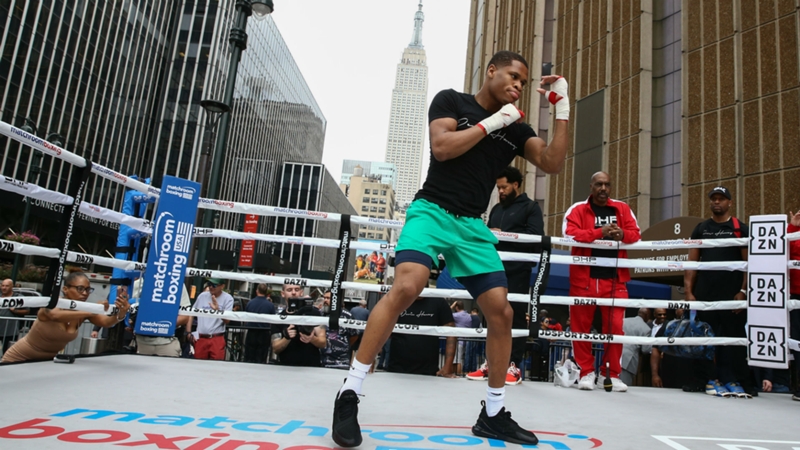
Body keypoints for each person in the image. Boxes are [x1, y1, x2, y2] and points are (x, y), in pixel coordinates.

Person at [331, 50, 570, 448]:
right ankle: (349, 392)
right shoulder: (452, 101)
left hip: (471, 224)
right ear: (491, 71)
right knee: (408, 286)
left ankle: (493, 413)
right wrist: (491, 122)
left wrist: (561, 109)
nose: (517, 86)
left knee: (501, 311)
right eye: (512, 76)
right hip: (431, 211)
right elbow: (442, 147)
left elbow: (552, 162)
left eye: (523, 83)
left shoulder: (515, 128)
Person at [563, 171, 641, 392]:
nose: (603, 188)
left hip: (614, 279)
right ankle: (586, 372)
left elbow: (636, 234)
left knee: (615, 329)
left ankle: (611, 374)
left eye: (607, 184)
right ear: (591, 187)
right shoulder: (577, 209)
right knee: (580, 328)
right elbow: (569, 234)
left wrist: (621, 234)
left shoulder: (623, 209)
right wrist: (599, 232)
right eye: (599, 184)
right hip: (584, 279)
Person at [684, 186, 751, 398]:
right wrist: (689, 293)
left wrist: (743, 291)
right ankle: (706, 380)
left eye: (721, 199)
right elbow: (692, 262)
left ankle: (732, 379)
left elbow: (748, 263)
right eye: (714, 199)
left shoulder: (740, 228)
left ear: (729, 202)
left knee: (733, 340)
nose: (717, 202)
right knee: (704, 338)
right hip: (705, 293)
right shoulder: (701, 228)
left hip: (732, 294)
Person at [487, 165, 543, 384]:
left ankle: (513, 364)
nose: (500, 191)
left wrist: (505, 235)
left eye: (504, 187)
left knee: (516, 315)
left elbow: (536, 238)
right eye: (498, 187)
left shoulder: (531, 208)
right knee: (491, 314)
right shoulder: (496, 210)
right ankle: (490, 363)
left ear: (516, 184)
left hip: (518, 270)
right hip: (493, 268)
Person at [2, 271, 129, 363]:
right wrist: (92, 310)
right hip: (19, 358)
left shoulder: (83, 310)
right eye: (80, 289)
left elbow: (106, 322)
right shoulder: (52, 302)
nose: (85, 293)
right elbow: (54, 315)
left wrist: (121, 313)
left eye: (88, 289)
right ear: (65, 289)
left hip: (47, 362)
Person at [388, 296, 456, 377]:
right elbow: (379, 329)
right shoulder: (398, 299)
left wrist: (447, 367)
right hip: (396, 369)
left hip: (428, 371)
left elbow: (451, 332)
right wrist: (369, 360)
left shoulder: (438, 301)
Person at [134, 278, 192, 357]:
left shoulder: (177, 283)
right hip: (142, 342)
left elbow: (185, 317)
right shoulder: (141, 282)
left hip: (168, 342)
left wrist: (162, 324)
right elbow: (127, 309)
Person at [271, 283, 326, 367]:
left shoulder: (313, 313)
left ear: (301, 292)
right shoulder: (279, 318)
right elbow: (275, 348)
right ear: (283, 293)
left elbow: (323, 342)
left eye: (296, 290)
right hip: (286, 367)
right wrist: (287, 338)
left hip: (311, 366)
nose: (293, 293)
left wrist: (311, 338)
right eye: (289, 290)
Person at [190, 278, 234, 360]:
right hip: (201, 338)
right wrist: (188, 332)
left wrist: (218, 311)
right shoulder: (202, 296)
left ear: (222, 286)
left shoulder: (228, 298)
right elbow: (191, 313)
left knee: (216, 367)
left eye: (214, 285)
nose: (211, 287)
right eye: (209, 284)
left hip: (216, 337)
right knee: (197, 366)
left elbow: (227, 320)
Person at [319, 291, 360, 369]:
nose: (325, 300)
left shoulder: (346, 315)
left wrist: (344, 345)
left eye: (328, 298)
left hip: (341, 361)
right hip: (322, 360)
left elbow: (354, 335)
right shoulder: (321, 313)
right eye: (324, 298)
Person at [244, 283, 275, 364]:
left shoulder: (250, 303)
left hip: (251, 331)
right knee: (261, 358)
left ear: (257, 291)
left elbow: (245, 317)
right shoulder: (270, 305)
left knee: (249, 357)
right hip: (264, 332)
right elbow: (273, 320)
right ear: (266, 292)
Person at [620, 308, 653, 386]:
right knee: (624, 385)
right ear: (647, 316)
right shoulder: (646, 329)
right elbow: (645, 349)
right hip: (629, 359)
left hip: (616, 355)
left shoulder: (624, 321)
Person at [788, 210, 800, 402]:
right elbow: (786, 251)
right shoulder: (795, 235)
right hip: (797, 294)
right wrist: (793, 227)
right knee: (797, 341)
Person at [1, 278, 29, 353]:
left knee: (7, 351)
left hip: (10, 330)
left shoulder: (18, 297)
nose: (4, 288)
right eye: (2, 285)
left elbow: (27, 310)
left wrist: (15, 310)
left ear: (12, 286)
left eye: (6, 286)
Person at [451, 300, 472, 376]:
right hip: (465, 339)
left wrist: (452, 306)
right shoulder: (468, 316)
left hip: (458, 339)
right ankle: (457, 372)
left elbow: (446, 313)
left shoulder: (457, 316)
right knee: (459, 358)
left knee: (457, 359)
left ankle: (457, 373)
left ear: (457, 307)